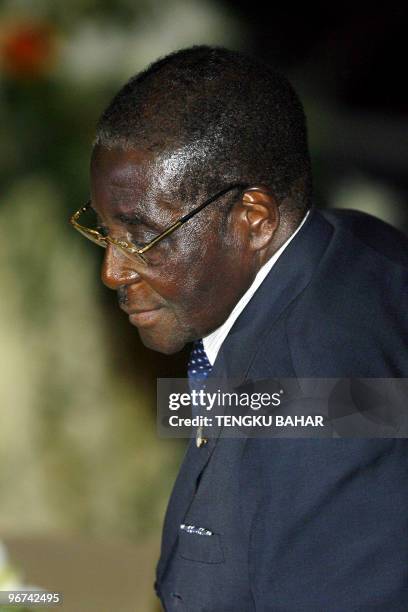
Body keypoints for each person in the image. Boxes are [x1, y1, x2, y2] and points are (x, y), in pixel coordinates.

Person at [70, 46, 408, 611]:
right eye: (103, 229)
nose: (113, 270)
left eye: (142, 237)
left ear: (253, 219)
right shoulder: (351, 244)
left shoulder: (318, 410)